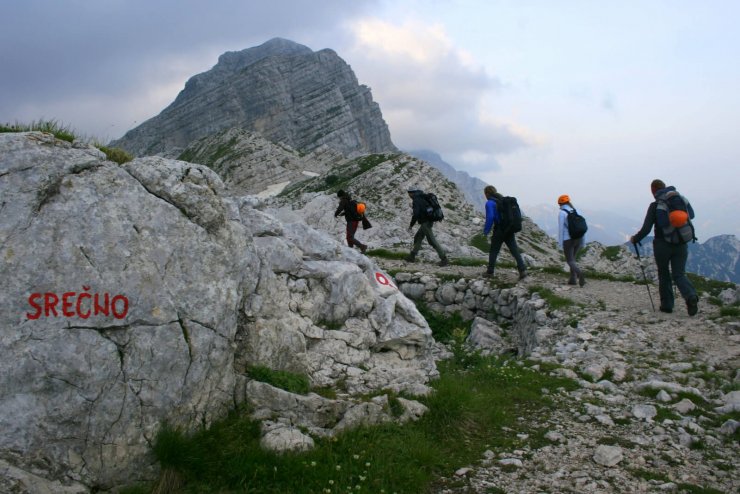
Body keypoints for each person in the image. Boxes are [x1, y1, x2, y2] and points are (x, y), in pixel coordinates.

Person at [630, 179, 698, 316]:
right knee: (679, 274)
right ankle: (690, 297)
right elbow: (692, 215)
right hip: (681, 243)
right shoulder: (681, 200)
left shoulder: (655, 206)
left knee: (664, 273)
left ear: (653, 190)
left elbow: (647, 228)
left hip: (662, 245)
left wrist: (635, 239)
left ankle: (667, 305)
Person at [483, 185, 527, 280]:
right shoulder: (502, 200)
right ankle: (522, 270)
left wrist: (486, 231)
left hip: (499, 229)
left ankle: (490, 272)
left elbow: (490, 218)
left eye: (485, 194)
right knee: (514, 250)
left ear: (487, 193)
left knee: (494, 251)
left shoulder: (490, 203)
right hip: (508, 229)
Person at [405, 186, 449, 266]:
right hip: (427, 222)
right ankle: (412, 257)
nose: (408, 195)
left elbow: (416, 214)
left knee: (432, 241)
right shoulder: (422, 196)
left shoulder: (416, 200)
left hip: (426, 223)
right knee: (418, 237)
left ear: (411, 193)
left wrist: (411, 225)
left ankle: (444, 259)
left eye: (409, 193)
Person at [557, 194, 586, 286]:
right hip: (579, 238)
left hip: (568, 240)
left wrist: (560, 243)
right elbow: (583, 227)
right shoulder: (577, 211)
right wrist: (583, 241)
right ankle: (572, 279)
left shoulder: (562, 213)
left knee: (570, 260)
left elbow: (561, 229)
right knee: (573, 259)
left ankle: (579, 274)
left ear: (560, 204)